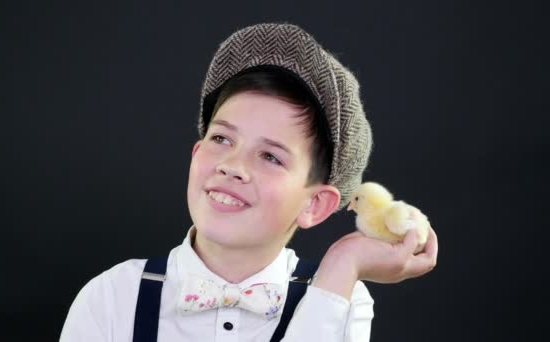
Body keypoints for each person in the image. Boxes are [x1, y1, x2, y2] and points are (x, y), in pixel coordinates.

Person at [59, 22, 438, 342]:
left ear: (314, 204)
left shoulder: (341, 298)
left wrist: (342, 264)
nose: (232, 165)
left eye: (270, 156)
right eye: (222, 139)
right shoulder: (111, 297)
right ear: (196, 154)